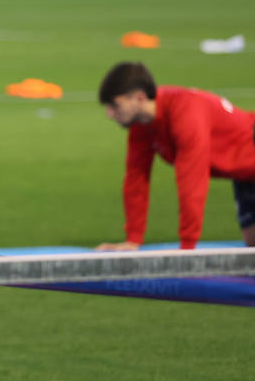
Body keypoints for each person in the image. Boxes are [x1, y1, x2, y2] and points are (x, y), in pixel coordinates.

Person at [97, 61, 255, 250]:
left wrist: (187, 247)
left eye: (115, 105)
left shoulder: (185, 113)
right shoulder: (141, 126)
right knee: (252, 243)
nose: (109, 114)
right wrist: (133, 239)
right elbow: (136, 179)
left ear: (139, 98)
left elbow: (192, 181)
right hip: (245, 173)